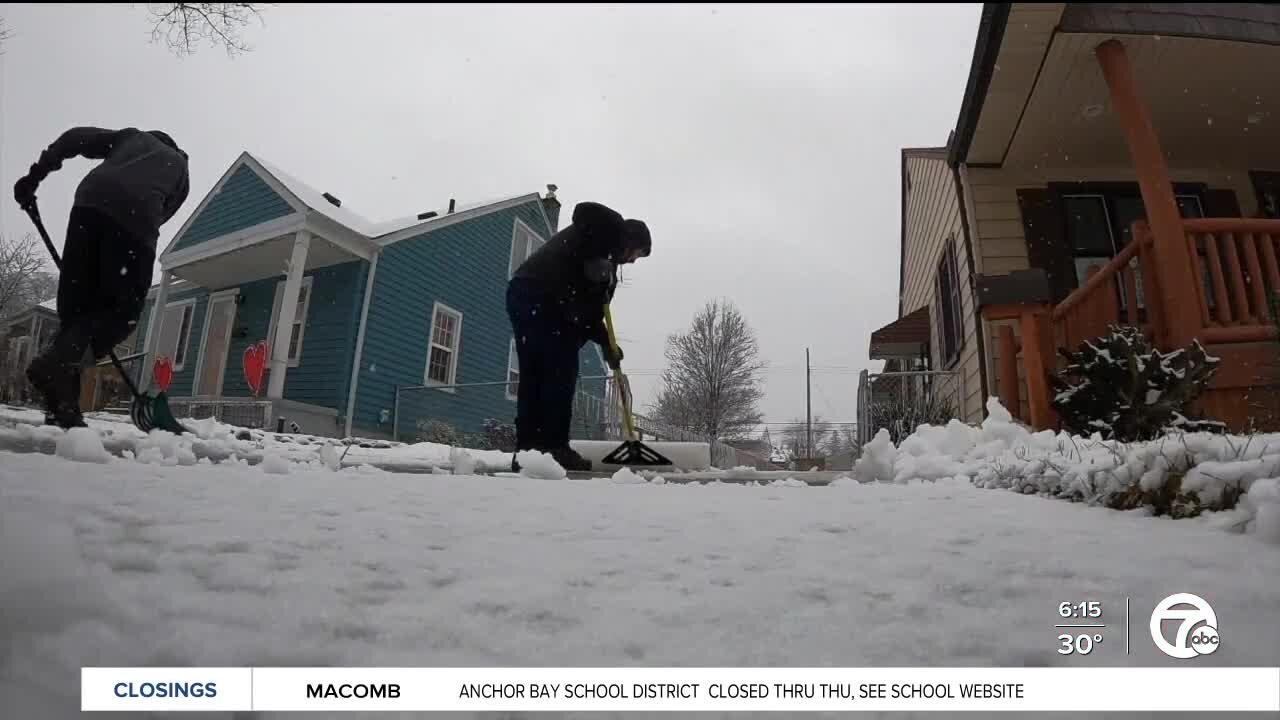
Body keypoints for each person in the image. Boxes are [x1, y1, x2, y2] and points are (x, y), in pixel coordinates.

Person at [13, 127, 190, 428]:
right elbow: (161, 214)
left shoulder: (130, 137)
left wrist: (35, 175)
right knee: (123, 314)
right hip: (134, 223)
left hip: (89, 206)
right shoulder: (180, 168)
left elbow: (75, 138)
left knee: (77, 316)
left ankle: (64, 407)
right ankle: (57, 369)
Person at [507, 201, 651, 472]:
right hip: (535, 293)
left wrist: (609, 346)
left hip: (538, 300)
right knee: (558, 372)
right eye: (636, 253)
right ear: (629, 239)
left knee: (537, 377)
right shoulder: (605, 232)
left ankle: (528, 453)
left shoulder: (608, 277)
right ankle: (555, 447)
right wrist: (599, 253)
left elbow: (593, 317)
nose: (632, 261)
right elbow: (585, 210)